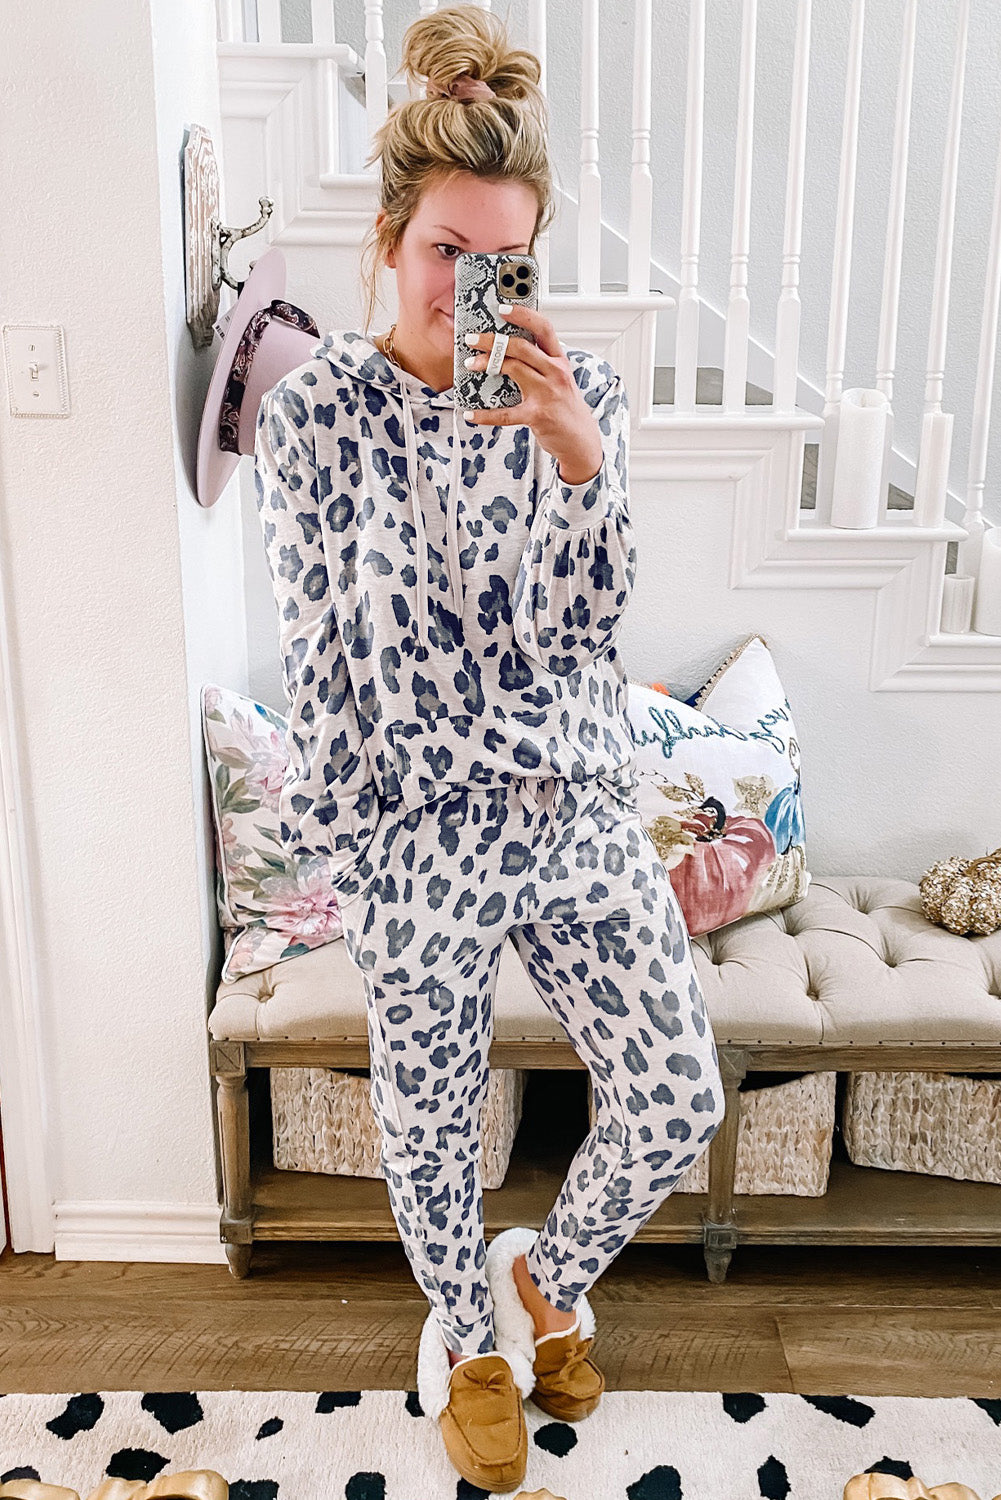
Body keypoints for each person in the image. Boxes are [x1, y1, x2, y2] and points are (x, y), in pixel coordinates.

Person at [253, 4, 725, 1490]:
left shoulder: (579, 401)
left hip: (572, 793)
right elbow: (319, 651)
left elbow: (588, 626)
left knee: (678, 1093)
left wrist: (576, 460)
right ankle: (466, 1336)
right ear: (389, 241)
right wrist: (356, 849)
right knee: (430, 1120)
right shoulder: (314, 414)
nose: (467, 285)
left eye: (502, 258)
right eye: (443, 249)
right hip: (418, 824)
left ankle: (546, 1278)